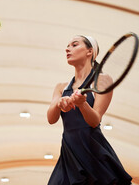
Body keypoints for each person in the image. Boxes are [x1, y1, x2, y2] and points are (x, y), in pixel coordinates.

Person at [47, 35, 132, 185]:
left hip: (93, 152)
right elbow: (51, 119)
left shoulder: (103, 80)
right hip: (69, 152)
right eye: (67, 46)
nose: (67, 49)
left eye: (74, 45)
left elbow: (94, 121)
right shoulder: (61, 87)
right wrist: (59, 103)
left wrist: (82, 104)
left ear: (90, 51)